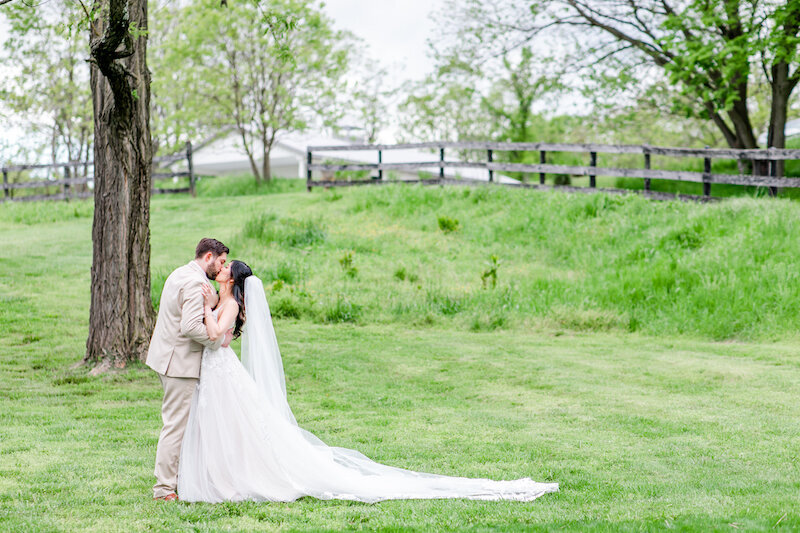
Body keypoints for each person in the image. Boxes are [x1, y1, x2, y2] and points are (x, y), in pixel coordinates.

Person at [175, 258, 558, 503]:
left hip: (221, 371)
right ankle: (221, 474)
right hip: (219, 371)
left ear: (233, 279)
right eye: (220, 265)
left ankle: (230, 479)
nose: (219, 269)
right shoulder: (227, 299)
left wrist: (206, 308)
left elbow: (215, 334)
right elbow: (222, 338)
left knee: (233, 425)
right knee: (228, 426)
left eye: (225, 268)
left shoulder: (229, 302)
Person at [146, 238, 233, 501]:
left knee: (183, 423)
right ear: (208, 257)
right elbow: (191, 327)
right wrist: (217, 342)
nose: (221, 268)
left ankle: (184, 477)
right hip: (179, 363)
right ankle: (163, 489)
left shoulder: (180, 272)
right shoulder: (196, 282)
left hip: (167, 357)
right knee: (175, 426)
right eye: (220, 262)